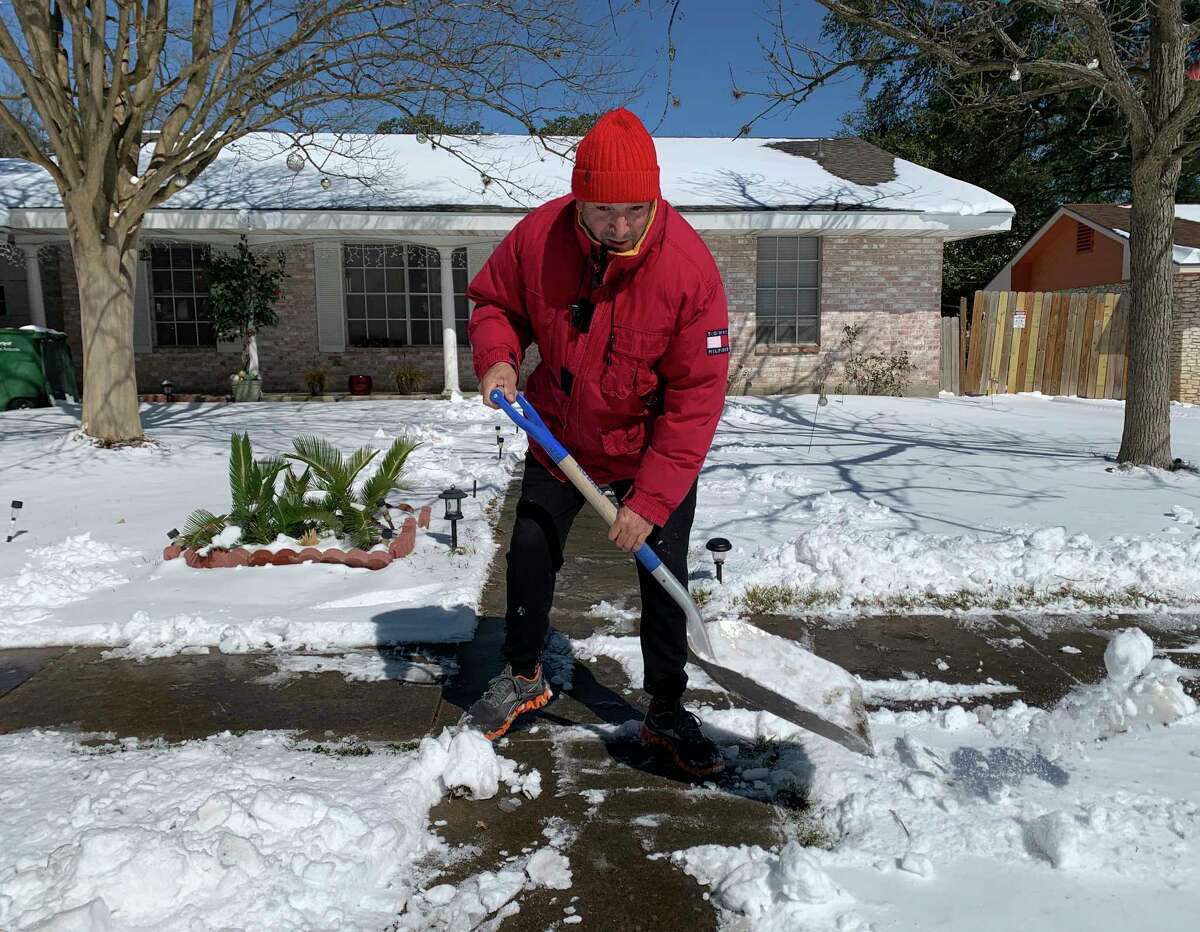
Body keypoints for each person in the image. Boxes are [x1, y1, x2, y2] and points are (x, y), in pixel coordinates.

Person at [463, 108, 730, 778]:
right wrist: (497, 357)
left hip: (648, 451)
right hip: (557, 435)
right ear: (579, 197)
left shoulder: (688, 272)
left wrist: (652, 499)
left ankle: (666, 706)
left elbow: (695, 400)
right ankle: (524, 674)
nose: (618, 226)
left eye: (634, 210)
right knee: (528, 548)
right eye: (603, 210)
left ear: (654, 198)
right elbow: (496, 304)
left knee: (662, 579)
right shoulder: (537, 237)